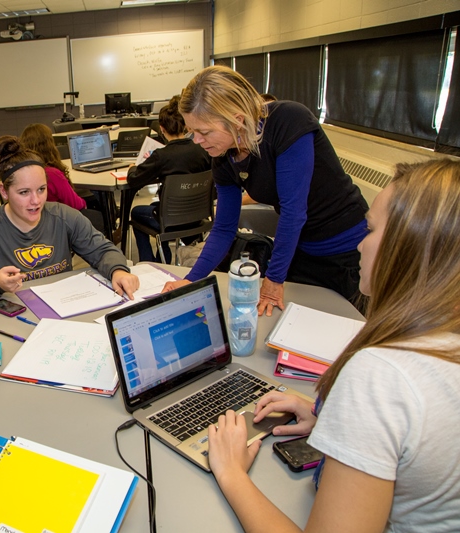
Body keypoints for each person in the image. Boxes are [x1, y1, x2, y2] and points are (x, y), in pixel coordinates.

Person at [206, 159, 460, 532]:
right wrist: (331, 419)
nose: (359, 242)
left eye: (370, 229)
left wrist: (231, 473)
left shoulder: (382, 374)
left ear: (406, 248)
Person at [163, 66, 369, 314]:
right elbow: (224, 228)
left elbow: (294, 212)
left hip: (347, 250)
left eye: (204, 132)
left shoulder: (288, 121)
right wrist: (190, 280)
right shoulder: (222, 156)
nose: (197, 140)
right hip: (302, 250)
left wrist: (274, 279)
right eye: (192, 131)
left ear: (236, 120)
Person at [0, 136, 139, 300]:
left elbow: (103, 250)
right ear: (4, 191)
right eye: (24, 192)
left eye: (41, 189)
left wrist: (117, 270)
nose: (36, 201)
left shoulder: (64, 216)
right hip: (14, 315)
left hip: (62, 306)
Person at [127, 96, 211, 263]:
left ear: (162, 129)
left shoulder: (161, 155)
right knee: (154, 207)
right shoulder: (202, 150)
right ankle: (162, 255)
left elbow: (134, 180)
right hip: (198, 217)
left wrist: (132, 168)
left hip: (171, 221)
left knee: (136, 212)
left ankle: (150, 262)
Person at [19, 123, 87, 210]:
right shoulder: (52, 174)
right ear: (49, 145)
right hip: (60, 219)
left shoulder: (23, 171)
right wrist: (85, 204)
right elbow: (76, 204)